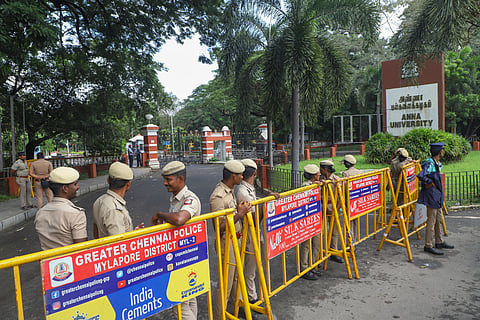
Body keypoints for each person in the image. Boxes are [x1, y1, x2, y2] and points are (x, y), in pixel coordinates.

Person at [150, 161, 201, 320]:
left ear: (180, 179)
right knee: (189, 297)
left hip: (185, 255)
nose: (165, 183)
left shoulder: (189, 198)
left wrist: (160, 214)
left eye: (168, 179)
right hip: (181, 254)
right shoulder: (175, 198)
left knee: (179, 303)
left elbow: (179, 219)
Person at [210, 160, 252, 320]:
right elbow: (219, 227)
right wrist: (239, 214)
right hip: (226, 242)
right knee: (226, 284)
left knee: (236, 279)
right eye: (240, 174)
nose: (242, 177)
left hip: (236, 239)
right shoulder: (218, 196)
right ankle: (219, 315)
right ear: (233, 176)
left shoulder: (230, 190)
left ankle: (235, 309)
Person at [233, 159, 280, 300]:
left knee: (252, 266)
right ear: (255, 173)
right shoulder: (244, 192)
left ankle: (247, 297)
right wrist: (266, 205)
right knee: (250, 269)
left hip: (252, 232)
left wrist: (266, 199)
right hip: (249, 233)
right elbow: (253, 219)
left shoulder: (248, 189)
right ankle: (250, 298)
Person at [34, 167, 87, 250]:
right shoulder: (75, 214)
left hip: (48, 261)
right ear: (65, 189)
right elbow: (81, 248)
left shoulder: (41, 212)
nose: (78, 187)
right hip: (70, 261)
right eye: (75, 184)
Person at [417, 142, 454, 255]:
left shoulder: (436, 163)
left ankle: (439, 241)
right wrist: (430, 183)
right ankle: (428, 245)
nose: (443, 151)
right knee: (431, 221)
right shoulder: (430, 163)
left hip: (437, 195)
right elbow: (421, 176)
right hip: (431, 195)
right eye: (442, 149)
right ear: (439, 152)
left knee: (438, 219)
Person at [93, 161, 143, 238]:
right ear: (128, 184)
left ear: (108, 180)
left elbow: (96, 232)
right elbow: (120, 244)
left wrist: (132, 233)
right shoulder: (114, 209)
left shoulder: (99, 200)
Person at [299, 164, 322, 280]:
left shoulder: (316, 184)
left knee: (316, 244)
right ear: (314, 176)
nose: (319, 176)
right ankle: (304, 268)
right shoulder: (305, 186)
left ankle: (311, 265)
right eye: (318, 175)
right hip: (307, 219)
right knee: (306, 244)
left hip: (315, 218)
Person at [319, 159, 343, 263]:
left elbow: (341, 196)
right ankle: (319, 254)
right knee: (320, 231)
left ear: (325, 169)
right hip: (321, 206)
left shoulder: (336, 179)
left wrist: (336, 209)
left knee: (334, 231)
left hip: (332, 206)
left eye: (321, 169)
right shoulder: (319, 179)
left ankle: (333, 251)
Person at [341, 155, 362, 244]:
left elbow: (344, 188)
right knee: (356, 221)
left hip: (349, 200)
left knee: (349, 222)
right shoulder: (359, 172)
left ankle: (351, 241)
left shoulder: (345, 174)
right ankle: (355, 239)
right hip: (357, 199)